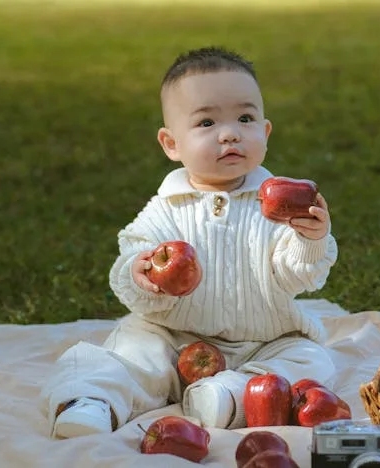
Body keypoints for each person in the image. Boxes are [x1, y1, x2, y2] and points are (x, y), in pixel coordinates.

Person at [40, 46, 339, 438]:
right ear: (171, 144)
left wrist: (309, 239)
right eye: (207, 122)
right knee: (132, 349)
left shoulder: (277, 205)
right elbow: (133, 259)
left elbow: (297, 275)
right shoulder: (165, 210)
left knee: (310, 360)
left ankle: (227, 396)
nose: (230, 133)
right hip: (174, 337)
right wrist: (141, 273)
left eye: (245, 118)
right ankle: (91, 401)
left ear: (265, 132)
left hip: (263, 340)